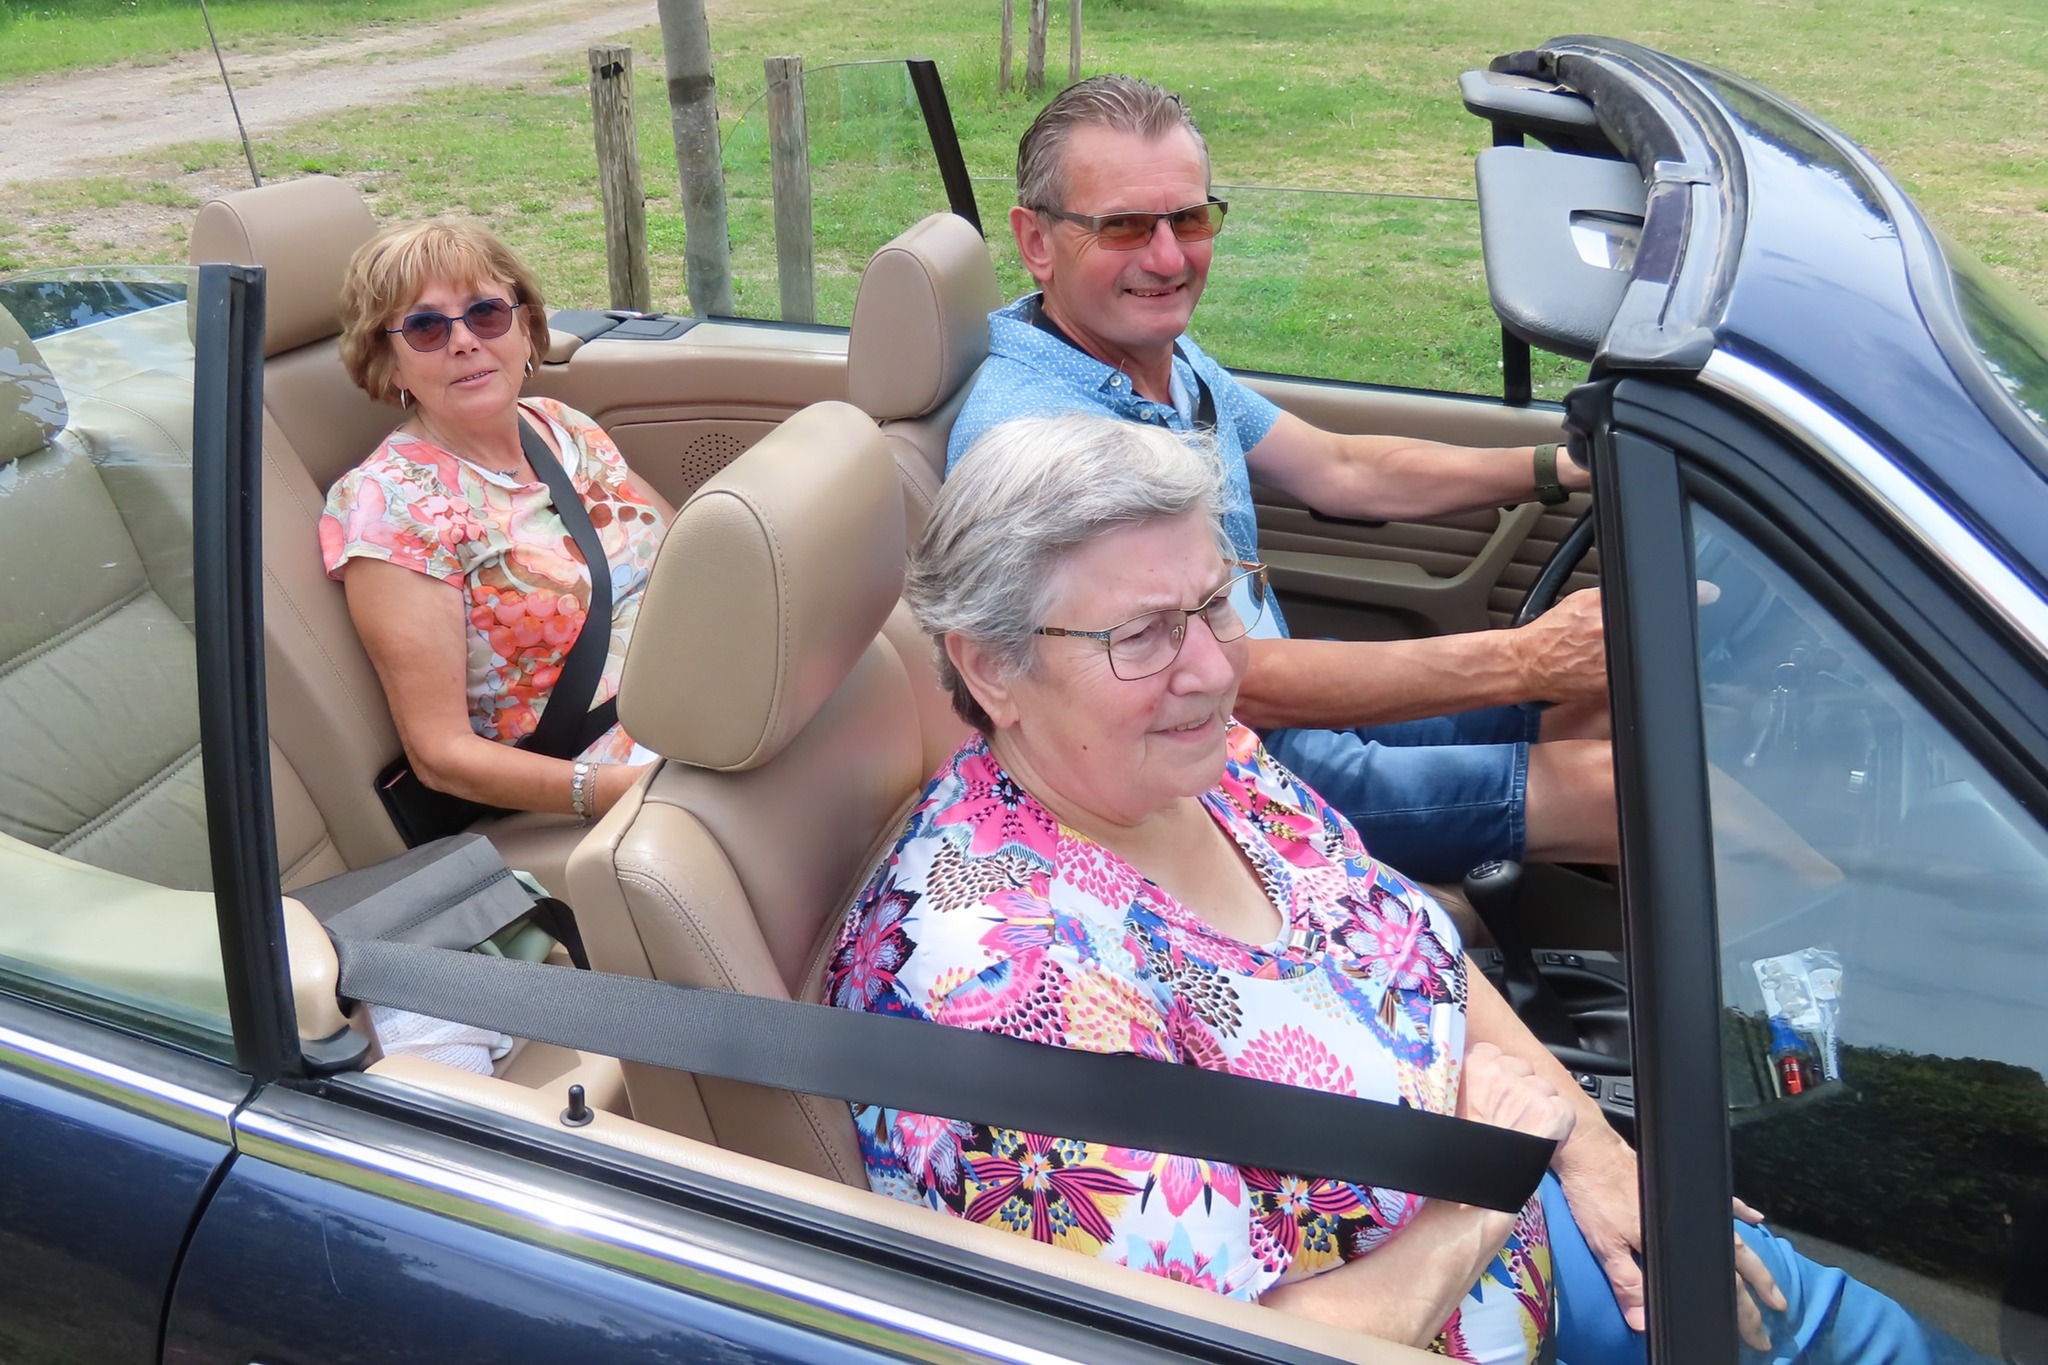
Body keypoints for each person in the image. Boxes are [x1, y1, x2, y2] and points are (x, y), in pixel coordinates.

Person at [830, 412, 1981, 1364]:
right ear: (990, 665)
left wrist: (1593, 1154)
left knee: (1867, 1334)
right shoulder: (998, 986)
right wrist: (1489, 1193)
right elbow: (1219, 1347)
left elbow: (1411, 951)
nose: (1214, 668)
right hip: (1460, 1304)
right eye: (1141, 635)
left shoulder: (1204, 767)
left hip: (1536, 1219)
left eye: (1215, 602)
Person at [945, 74, 1613, 884]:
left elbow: (1340, 468)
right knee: (1609, 789)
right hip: (1212, 775)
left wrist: (1564, 465)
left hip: (1276, 724)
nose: (1167, 257)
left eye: (1188, 218)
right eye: (1123, 227)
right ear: (1036, 241)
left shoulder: (1155, 357)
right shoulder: (1044, 441)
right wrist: (1526, 658)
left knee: (1607, 710)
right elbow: (1214, 678)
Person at [322, 218, 673, 823]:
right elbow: (441, 756)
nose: (463, 341)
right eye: (426, 327)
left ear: (525, 324)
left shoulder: (562, 424)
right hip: (599, 773)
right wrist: (629, 791)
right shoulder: (391, 504)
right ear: (390, 364)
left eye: (485, 313)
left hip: (695, 699)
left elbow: (687, 560)